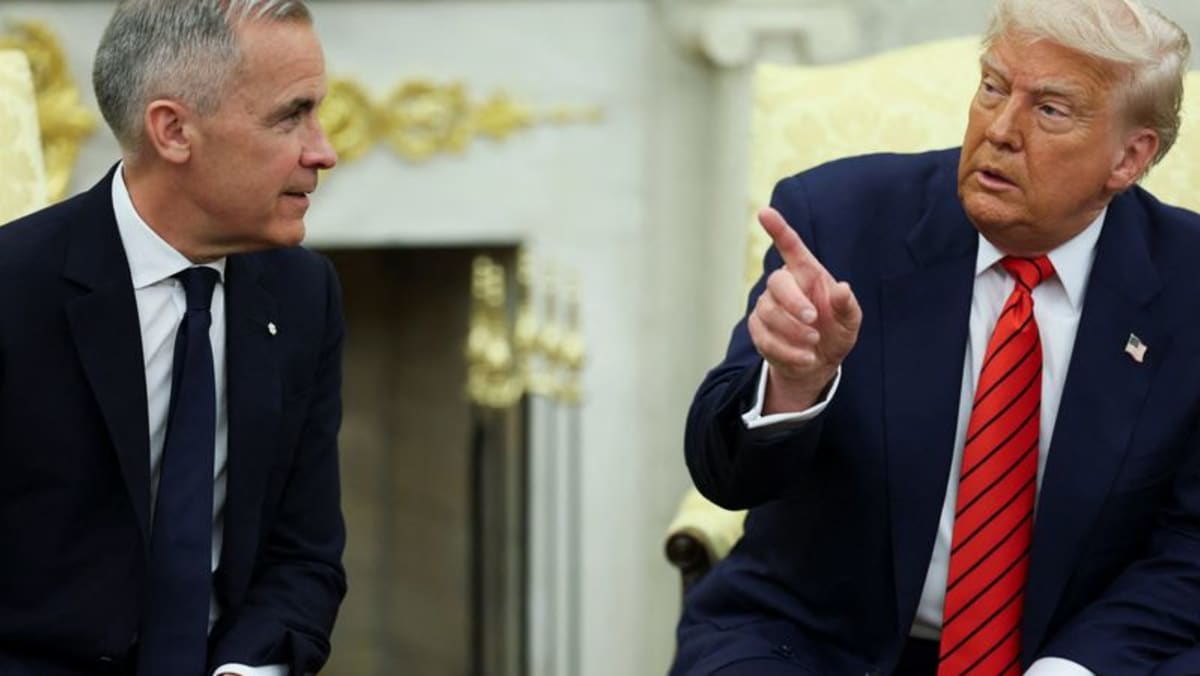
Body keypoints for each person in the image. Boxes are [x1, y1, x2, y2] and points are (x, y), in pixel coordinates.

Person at [672, 0, 1200, 674]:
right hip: (817, 644)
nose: (1000, 130)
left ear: (1129, 157)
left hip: (1076, 651)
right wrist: (795, 383)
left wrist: (1071, 669)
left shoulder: (1187, 284)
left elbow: (1190, 546)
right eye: (993, 88)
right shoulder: (840, 221)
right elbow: (724, 476)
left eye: (1049, 110)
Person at [0, 1, 345, 675]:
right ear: (174, 131)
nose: (323, 151)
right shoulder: (14, 291)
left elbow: (303, 557)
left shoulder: (305, 294)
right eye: (290, 116)